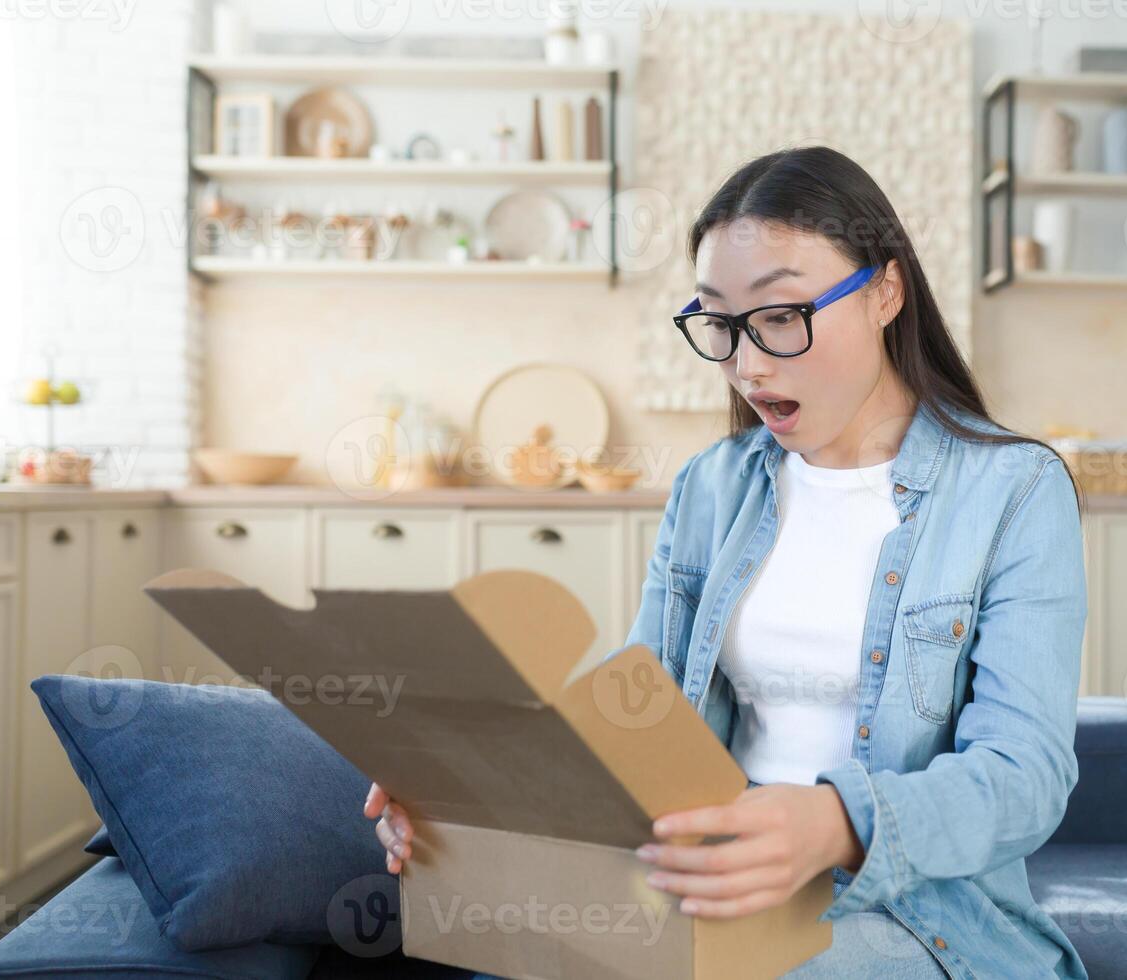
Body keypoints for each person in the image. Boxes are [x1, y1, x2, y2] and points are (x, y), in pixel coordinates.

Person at [366, 145, 1089, 979]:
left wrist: (830, 823)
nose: (749, 365)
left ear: (886, 291)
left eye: (783, 315)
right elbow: (638, 711)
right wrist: (472, 790)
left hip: (916, 913)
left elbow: (1025, 776)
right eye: (722, 323)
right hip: (705, 883)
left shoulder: (1014, 489)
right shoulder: (714, 487)